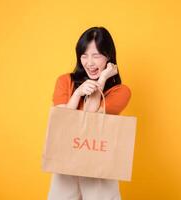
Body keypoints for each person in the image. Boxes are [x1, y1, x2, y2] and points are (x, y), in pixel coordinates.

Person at [47, 26, 131, 200]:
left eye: (96, 55)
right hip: (65, 164)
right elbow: (62, 121)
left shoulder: (121, 91)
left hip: (99, 168)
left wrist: (102, 79)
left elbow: (92, 117)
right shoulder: (65, 81)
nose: (89, 63)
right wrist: (77, 93)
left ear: (108, 57)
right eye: (84, 55)